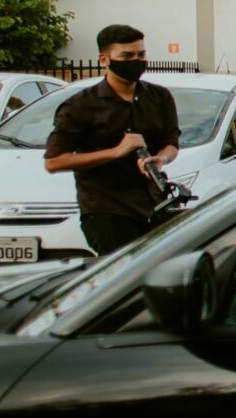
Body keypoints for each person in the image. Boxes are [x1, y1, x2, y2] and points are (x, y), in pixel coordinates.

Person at [44, 24, 182, 256]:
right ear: (104, 59)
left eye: (141, 54)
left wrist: (162, 159)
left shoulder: (160, 97)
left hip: (155, 205)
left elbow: (172, 141)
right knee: (122, 278)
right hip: (107, 210)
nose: (136, 61)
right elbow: (54, 161)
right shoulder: (81, 106)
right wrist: (116, 152)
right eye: (126, 56)